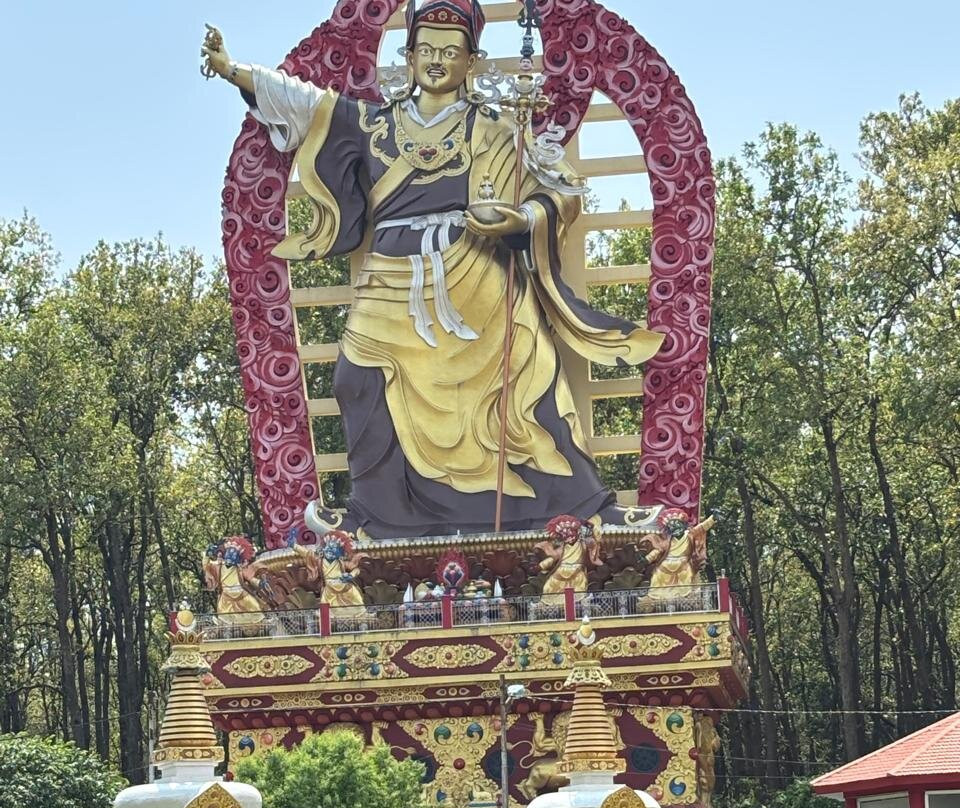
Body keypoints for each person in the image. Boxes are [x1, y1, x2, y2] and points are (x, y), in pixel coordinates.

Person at [202, 0, 664, 539]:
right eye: (427, 49)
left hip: (476, 270)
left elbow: (556, 195)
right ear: (409, 53)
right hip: (393, 271)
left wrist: (519, 218)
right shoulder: (375, 122)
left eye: (451, 51)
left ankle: (582, 506)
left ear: (473, 59)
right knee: (356, 378)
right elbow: (307, 104)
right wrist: (234, 70)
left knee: (524, 373)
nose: (438, 60)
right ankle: (373, 516)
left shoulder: (493, 128)